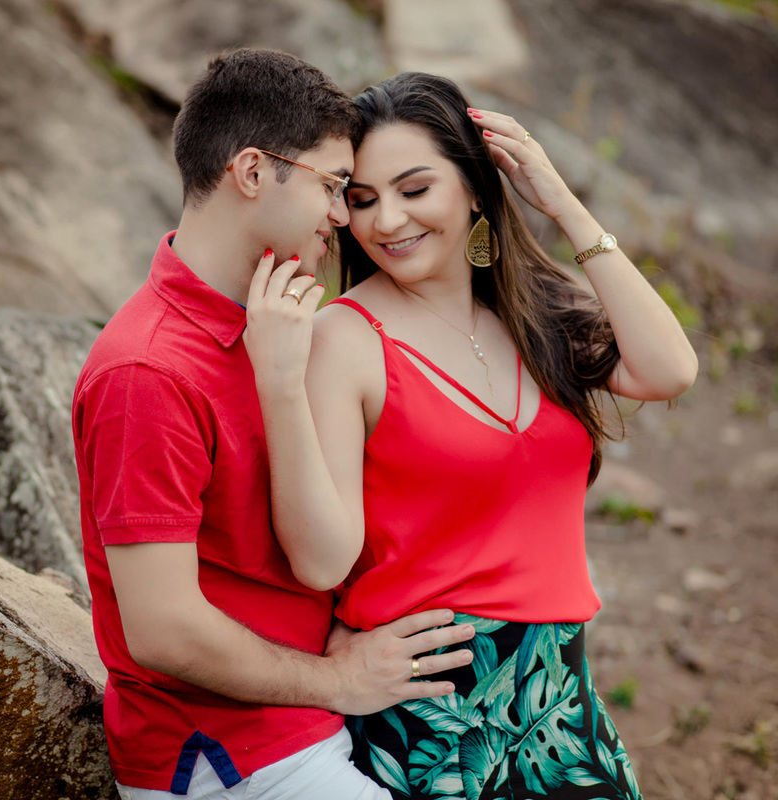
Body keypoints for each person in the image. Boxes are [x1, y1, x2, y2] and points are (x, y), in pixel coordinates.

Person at [245, 71, 698, 799]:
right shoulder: (346, 337)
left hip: (559, 702)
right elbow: (320, 559)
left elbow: (670, 368)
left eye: (414, 189)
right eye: (362, 200)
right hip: (430, 716)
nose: (387, 221)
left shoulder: (534, 313)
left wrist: (563, 203)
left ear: (475, 187)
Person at [72, 51, 476, 800]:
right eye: (331, 186)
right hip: (228, 759)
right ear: (253, 172)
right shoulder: (148, 372)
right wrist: (338, 678)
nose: (340, 215)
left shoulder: (281, 324)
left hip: (305, 730)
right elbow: (160, 630)